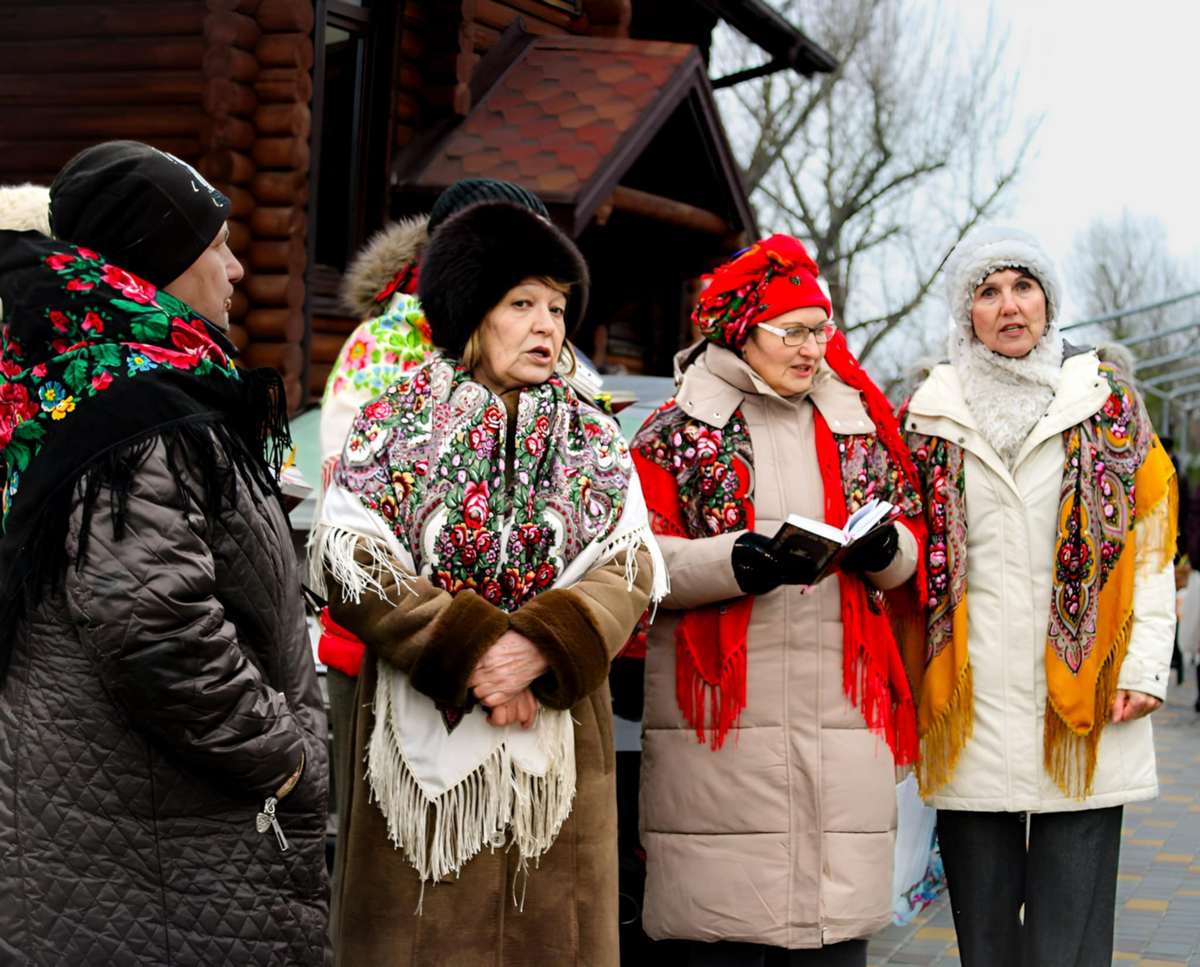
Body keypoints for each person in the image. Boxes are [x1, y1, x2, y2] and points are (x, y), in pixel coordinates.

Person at [0, 142, 330, 966]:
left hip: (138, 824)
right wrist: (286, 757)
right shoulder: (134, 410)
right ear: (159, 259)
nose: (238, 268)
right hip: (159, 842)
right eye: (215, 244)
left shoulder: (91, 385)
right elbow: (151, 621)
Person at [310, 199, 664, 965]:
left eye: (558, 308)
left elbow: (631, 564)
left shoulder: (593, 433)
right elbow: (351, 558)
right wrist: (472, 649)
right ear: (473, 312)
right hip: (420, 747)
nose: (547, 326)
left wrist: (541, 645)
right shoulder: (394, 424)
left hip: (558, 745)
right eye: (522, 304)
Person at [635, 235, 925, 966]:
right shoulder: (676, 433)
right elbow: (635, 560)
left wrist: (892, 554)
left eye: (820, 330)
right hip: (722, 734)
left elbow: (914, 536)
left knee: (833, 941)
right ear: (741, 331)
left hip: (842, 726)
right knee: (723, 932)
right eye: (791, 331)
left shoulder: (859, 425)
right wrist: (727, 562)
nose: (811, 349)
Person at [903, 226, 1176, 966]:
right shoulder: (928, 415)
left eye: (1023, 286)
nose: (1008, 305)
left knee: (1070, 943)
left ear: (1049, 300)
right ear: (968, 313)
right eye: (987, 292)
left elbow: (1150, 546)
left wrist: (1146, 667)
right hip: (971, 704)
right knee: (984, 942)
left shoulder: (1108, 405)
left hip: (1087, 707)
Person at [313, 177, 553, 939]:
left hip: (527, 668)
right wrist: (478, 649)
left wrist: (536, 643)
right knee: (406, 891)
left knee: (511, 899)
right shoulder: (384, 350)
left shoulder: (553, 358)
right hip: (394, 658)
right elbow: (360, 526)